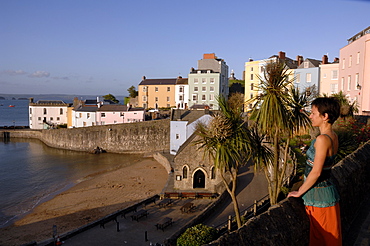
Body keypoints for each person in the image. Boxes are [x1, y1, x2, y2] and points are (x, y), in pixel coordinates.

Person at [288, 97, 342, 246]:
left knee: (325, 240)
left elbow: (316, 172)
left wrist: (299, 192)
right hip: (322, 193)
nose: (310, 116)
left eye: (313, 113)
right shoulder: (333, 136)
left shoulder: (322, 139)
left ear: (325, 117)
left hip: (320, 197)